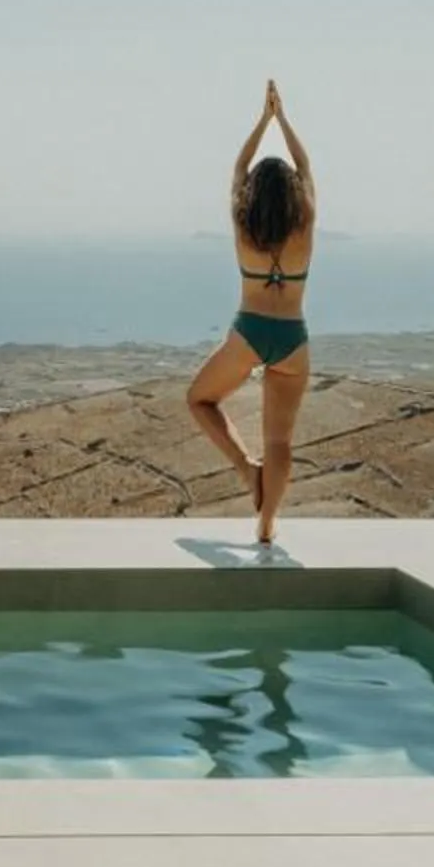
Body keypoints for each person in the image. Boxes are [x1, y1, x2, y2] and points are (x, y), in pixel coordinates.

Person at [186, 78, 314, 548]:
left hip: (250, 333)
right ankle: (266, 525)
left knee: (199, 400)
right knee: (280, 440)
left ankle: (246, 470)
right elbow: (304, 165)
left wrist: (263, 120)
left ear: (253, 196)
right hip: (293, 339)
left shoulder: (243, 226)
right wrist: (283, 118)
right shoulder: (306, 226)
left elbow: (240, 166)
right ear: (294, 195)